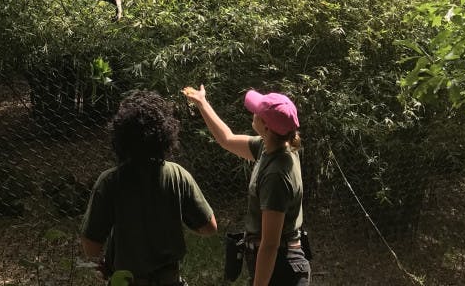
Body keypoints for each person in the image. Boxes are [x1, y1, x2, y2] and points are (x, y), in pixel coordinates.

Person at [80, 90, 218, 286]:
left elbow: (91, 247)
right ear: (166, 133)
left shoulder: (110, 182)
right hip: (169, 279)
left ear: (120, 136)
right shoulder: (178, 175)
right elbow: (209, 228)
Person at [182, 84, 310, 286]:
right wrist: (202, 103)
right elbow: (227, 139)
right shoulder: (269, 147)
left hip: (281, 268)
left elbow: (270, 244)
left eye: (257, 112)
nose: (253, 113)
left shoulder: (277, 174)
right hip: (275, 265)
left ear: (267, 127)